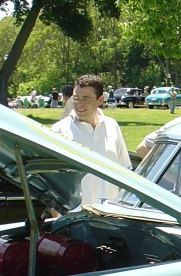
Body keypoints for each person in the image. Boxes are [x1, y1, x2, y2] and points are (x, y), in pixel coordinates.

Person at [50, 74, 131, 205]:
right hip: (74, 218)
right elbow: (50, 180)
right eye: (76, 98)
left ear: (100, 100)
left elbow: (125, 171)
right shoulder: (59, 130)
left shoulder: (112, 126)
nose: (79, 104)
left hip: (110, 215)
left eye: (86, 99)